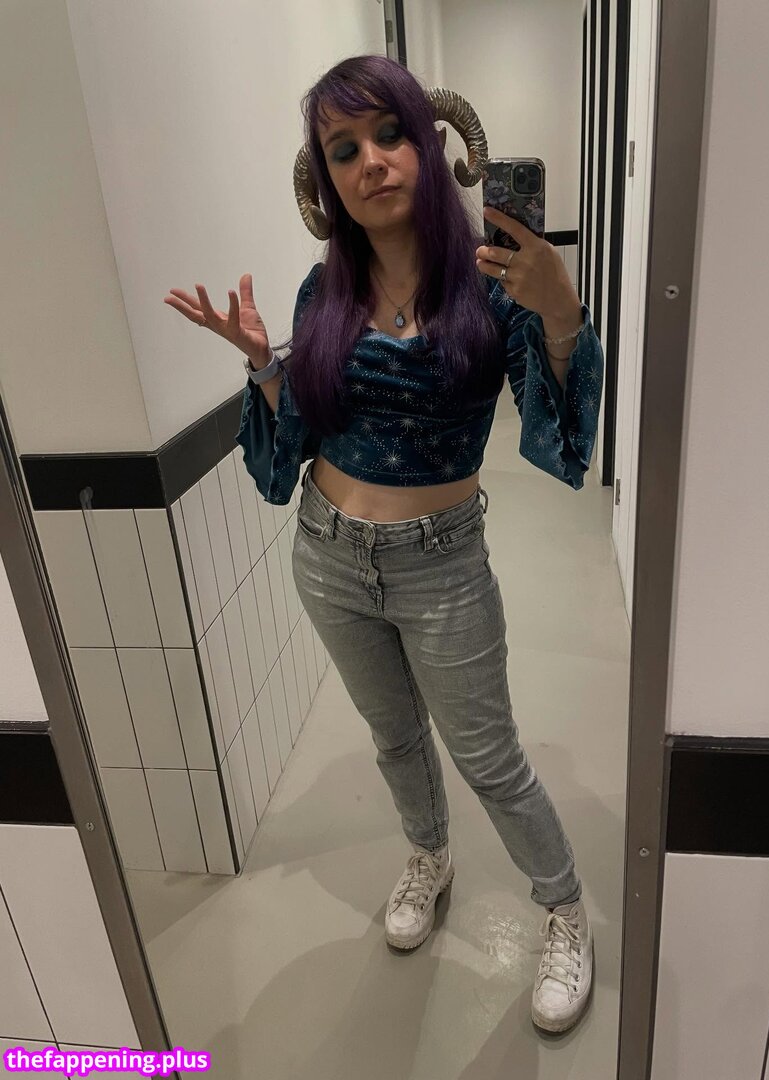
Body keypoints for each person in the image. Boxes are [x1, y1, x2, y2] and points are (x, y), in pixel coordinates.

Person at [164, 54, 604, 1035]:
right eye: (343, 149)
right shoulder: (320, 294)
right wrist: (265, 369)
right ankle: (429, 856)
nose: (371, 161)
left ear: (430, 143)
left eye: (390, 133)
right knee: (394, 736)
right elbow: (286, 460)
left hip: (443, 566)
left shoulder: (492, 286)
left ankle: (565, 909)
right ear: (326, 180)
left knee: (489, 756)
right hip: (326, 557)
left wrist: (562, 312)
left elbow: (560, 443)